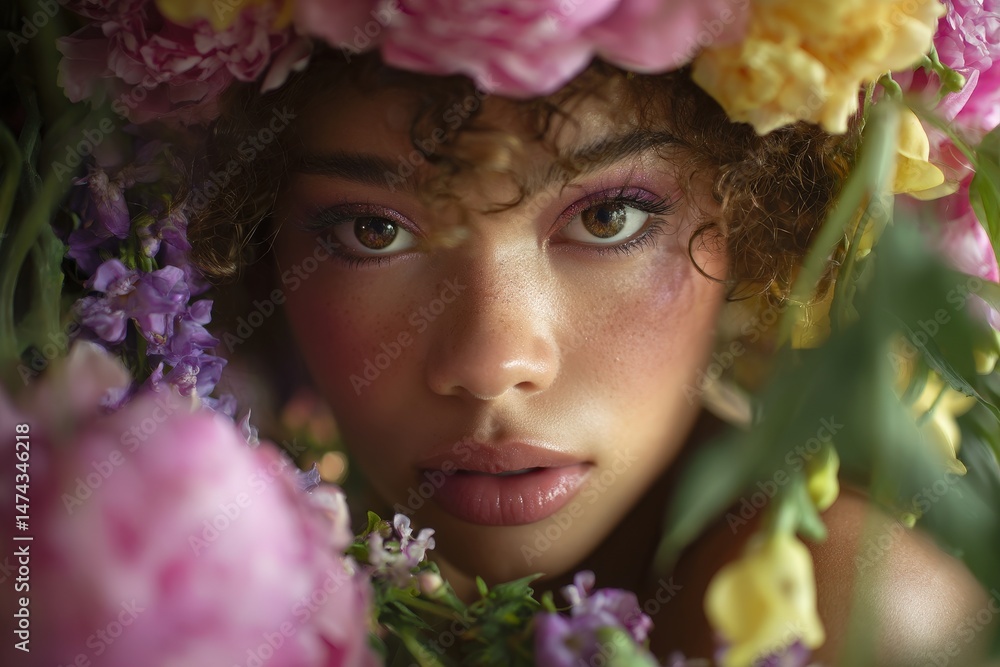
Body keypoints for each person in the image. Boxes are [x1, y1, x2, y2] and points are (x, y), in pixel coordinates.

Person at [188, 47, 992, 665]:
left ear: (756, 205)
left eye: (608, 216)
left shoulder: (836, 607)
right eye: (374, 230)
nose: (492, 362)